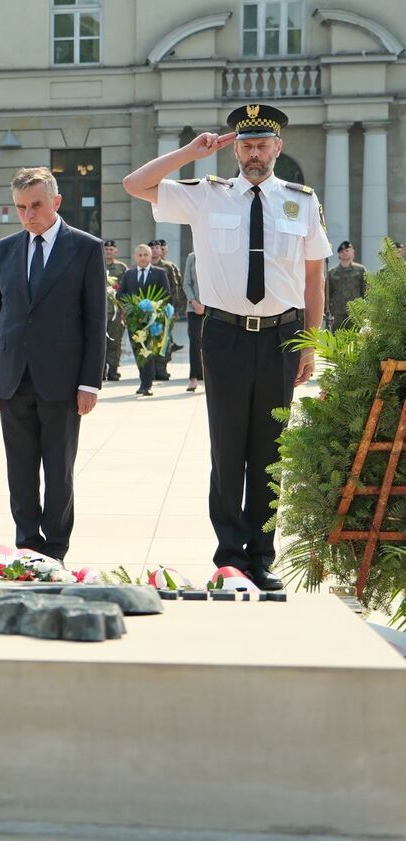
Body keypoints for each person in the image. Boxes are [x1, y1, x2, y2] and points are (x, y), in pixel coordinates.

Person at [123, 103, 330, 590]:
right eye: (245, 145)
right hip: (225, 336)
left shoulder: (301, 200)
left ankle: (263, 555)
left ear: (277, 148)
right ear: (233, 148)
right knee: (227, 447)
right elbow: (136, 185)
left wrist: (310, 343)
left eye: (261, 145)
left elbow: (314, 277)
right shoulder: (206, 195)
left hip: (281, 335)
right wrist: (190, 152)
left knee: (270, 450)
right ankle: (230, 555)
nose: (253, 154)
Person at [0, 167, 106, 561]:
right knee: (19, 469)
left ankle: (55, 547)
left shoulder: (85, 248)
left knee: (58, 470)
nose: (28, 214)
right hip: (13, 376)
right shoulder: (4, 250)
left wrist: (90, 382)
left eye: (35, 205)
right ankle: (27, 543)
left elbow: (95, 319)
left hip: (63, 380)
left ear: (56, 201)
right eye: (20, 208)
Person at [117, 244, 168, 397]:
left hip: (153, 320)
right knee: (139, 351)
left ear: (151, 256)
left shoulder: (160, 273)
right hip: (134, 321)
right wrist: (131, 308)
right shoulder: (129, 274)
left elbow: (166, 294)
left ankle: (147, 384)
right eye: (140, 255)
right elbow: (120, 295)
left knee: (149, 351)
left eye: (146, 254)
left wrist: (155, 308)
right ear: (135, 257)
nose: (143, 258)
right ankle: (144, 382)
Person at [325, 241, 366, 329]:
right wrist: (326, 312)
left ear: (352, 252)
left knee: (357, 339)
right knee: (338, 339)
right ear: (338, 255)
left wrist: (366, 310)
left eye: (347, 250)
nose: (344, 253)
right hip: (337, 314)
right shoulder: (332, 273)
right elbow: (327, 294)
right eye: (342, 251)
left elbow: (366, 291)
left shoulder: (360, 270)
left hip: (356, 313)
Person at [103, 240, 129, 381]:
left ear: (116, 251)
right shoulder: (96, 265)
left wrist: (124, 310)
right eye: (106, 249)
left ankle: (113, 370)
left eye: (111, 249)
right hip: (99, 312)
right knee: (99, 343)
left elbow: (126, 289)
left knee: (115, 342)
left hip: (116, 312)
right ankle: (100, 372)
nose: (108, 251)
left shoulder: (121, 268)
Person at [182, 249, 204, 393]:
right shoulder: (192, 257)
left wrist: (207, 305)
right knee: (195, 343)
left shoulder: (215, 255)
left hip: (213, 308)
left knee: (213, 344)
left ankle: (211, 378)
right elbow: (186, 284)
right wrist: (194, 303)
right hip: (194, 308)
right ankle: (194, 378)